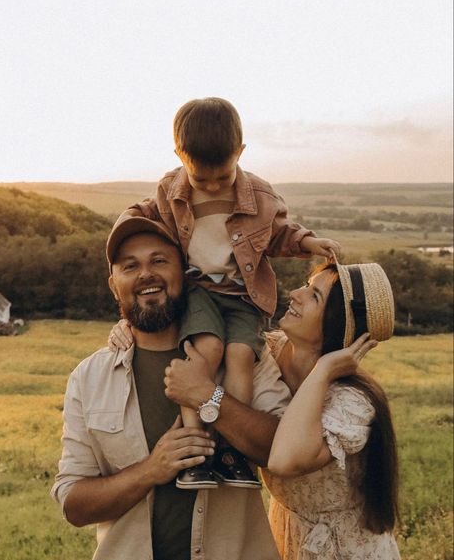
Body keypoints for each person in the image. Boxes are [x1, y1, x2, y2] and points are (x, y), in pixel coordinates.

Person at [112, 96, 341, 489]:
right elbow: (139, 216)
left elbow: (279, 233)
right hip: (197, 287)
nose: (214, 185)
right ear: (180, 157)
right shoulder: (170, 189)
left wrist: (308, 243)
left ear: (240, 152)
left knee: (238, 356)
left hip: (243, 294)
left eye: (224, 175)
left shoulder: (261, 197)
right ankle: (198, 451)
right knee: (206, 352)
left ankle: (230, 452)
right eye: (202, 179)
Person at [51, 212, 294, 560]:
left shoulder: (243, 357)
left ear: (185, 273)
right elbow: (74, 504)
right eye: (129, 266)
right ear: (113, 284)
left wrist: (209, 398)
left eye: (159, 261)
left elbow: (283, 450)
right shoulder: (89, 378)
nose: (146, 273)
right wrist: (151, 469)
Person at [263, 261, 401, 559]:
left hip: (346, 549)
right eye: (306, 284)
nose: (296, 294)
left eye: (314, 296)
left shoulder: (353, 402)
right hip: (287, 532)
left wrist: (324, 370)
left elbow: (284, 460)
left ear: (336, 325)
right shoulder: (268, 353)